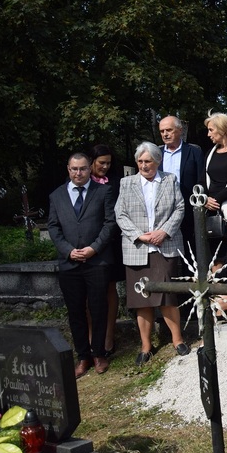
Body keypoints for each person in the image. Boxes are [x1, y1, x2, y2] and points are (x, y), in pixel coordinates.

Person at [115, 142, 188, 366]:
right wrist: (139, 235)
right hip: (138, 248)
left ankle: (177, 340)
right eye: (140, 162)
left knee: (167, 295)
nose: (144, 166)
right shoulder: (126, 183)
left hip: (164, 246)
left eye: (148, 161)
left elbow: (180, 207)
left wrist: (164, 231)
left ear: (157, 161)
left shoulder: (169, 180)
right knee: (141, 299)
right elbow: (120, 213)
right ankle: (146, 345)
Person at [48, 152, 117, 378]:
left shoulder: (103, 191)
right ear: (68, 169)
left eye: (83, 169)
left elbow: (110, 223)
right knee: (76, 311)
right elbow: (54, 228)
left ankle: (99, 354)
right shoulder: (56, 195)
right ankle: (83, 357)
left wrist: (93, 248)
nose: (79, 173)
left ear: (90, 169)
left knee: (98, 308)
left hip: (96, 260)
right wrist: (69, 251)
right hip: (70, 264)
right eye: (74, 169)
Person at [87, 144, 121, 359]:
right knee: (86, 293)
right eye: (101, 163)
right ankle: (92, 337)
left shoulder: (116, 182)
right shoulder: (80, 181)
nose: (105, 167)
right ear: (91, 162)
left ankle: (109, 336)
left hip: (111, 242)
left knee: (110, 288)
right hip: (86, 243)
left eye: (108, 163)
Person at [158, 116, 203, 250]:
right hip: (163, 211)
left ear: (180, 130)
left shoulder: (194, 151)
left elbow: (201, 179)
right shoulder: (156, 154)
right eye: (162, 131)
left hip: (188, 208)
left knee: (189, 247)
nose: (165, 134)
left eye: (169, 130)